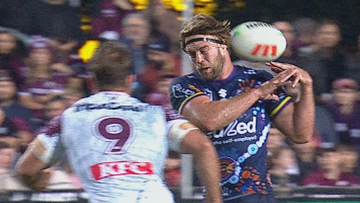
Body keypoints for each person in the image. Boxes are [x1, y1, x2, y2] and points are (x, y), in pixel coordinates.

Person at [15, 41, 222, 203]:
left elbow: (25, 169)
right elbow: (203, 146)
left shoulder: (68, 117)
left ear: (91, 81)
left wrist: (38, 182)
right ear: (131, 81)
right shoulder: (157, 114)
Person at [170, 14, 315, 203]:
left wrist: (307, 86)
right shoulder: (184, 85)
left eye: (204, 50)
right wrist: (258, 93)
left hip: (258, 195)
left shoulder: (258, 79)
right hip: (216, 198)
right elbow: (209, 120)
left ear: (223, 46)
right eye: (192, 54)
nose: (198, 59)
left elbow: (300, 134)